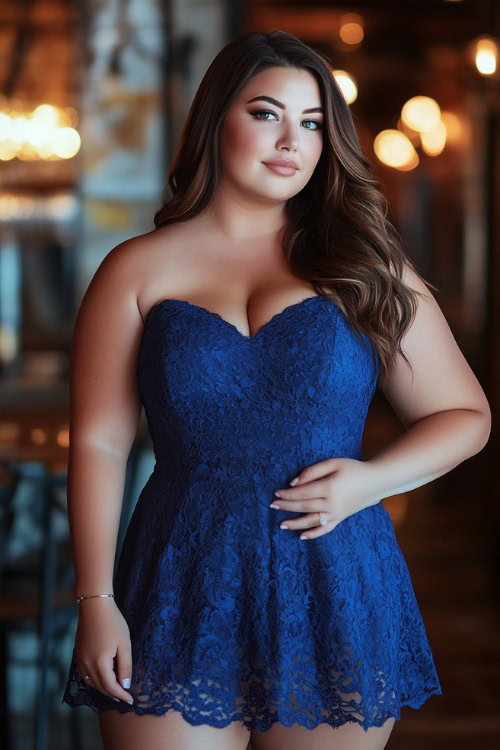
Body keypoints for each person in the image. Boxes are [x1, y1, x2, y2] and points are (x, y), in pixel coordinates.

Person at [61, 29, 491, 750]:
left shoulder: (363, 262)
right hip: (178, 578)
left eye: (313, 123)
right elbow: (101, 442)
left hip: (334, 575)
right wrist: (95, 597)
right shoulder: (135, 269)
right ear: (216, 121)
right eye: (266, 113)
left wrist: (371, 481)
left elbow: (467, 415)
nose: (292, 139)